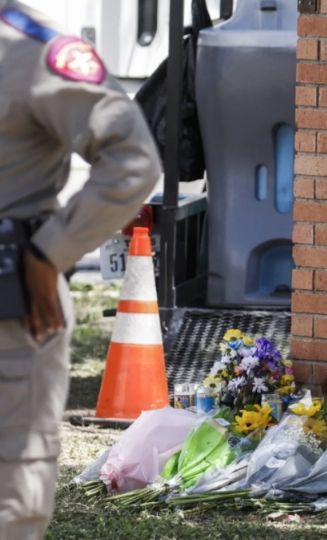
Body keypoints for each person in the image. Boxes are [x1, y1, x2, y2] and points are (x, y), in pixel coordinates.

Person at [0, 2, 161, 538]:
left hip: (11, 315)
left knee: (12, 503)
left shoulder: (31, 51)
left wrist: (51, 253)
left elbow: (132, 156)